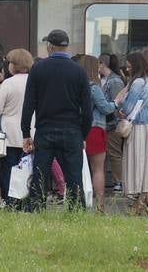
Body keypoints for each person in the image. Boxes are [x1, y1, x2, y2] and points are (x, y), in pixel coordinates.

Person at [20, 31, 91, 211]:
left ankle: (36, 209)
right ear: (66, 47)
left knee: (40, 174)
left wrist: (26, 132)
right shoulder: (79, 71)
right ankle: (76, 212)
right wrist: (84, 134)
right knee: (74, 176)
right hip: (72, 130)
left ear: (50, 46)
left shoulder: (38, 68)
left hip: (45, 130)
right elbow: (87, 109)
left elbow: (29, 103)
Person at [0, 48, 30, 207]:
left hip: (10, 134)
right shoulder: (34, 81)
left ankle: (9, 201)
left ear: (15, 65)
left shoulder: (8, 83)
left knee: (8, 170)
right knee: (26, 169)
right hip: (29, 133)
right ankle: (24, 201)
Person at [119, 52, 148, 214]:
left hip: (138, 127)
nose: (127, 69)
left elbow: (127, 107)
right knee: (145, 164)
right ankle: (143, 199)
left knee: (137, 164)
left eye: (129, 66)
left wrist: (121, 104)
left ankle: (139, 202)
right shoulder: (147, 82)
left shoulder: (137, 83)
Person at [79, 54, 116, 211]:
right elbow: (105, 108)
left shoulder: (76, 87)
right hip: (95, 129)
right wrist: (117, 102)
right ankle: (100, 205)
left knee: (79, 167)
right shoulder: (94, 87)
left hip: (79, 129)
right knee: (98, 169)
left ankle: (79, 202)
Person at [98, 53, 125, 193]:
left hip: (112, 123)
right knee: (110, 153)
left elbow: (118, 103)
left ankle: (119, 181)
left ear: (103, 64)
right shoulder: (106, 80)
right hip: (107, 123)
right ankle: (117, 181)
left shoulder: (114, 81)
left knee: (114, 153)